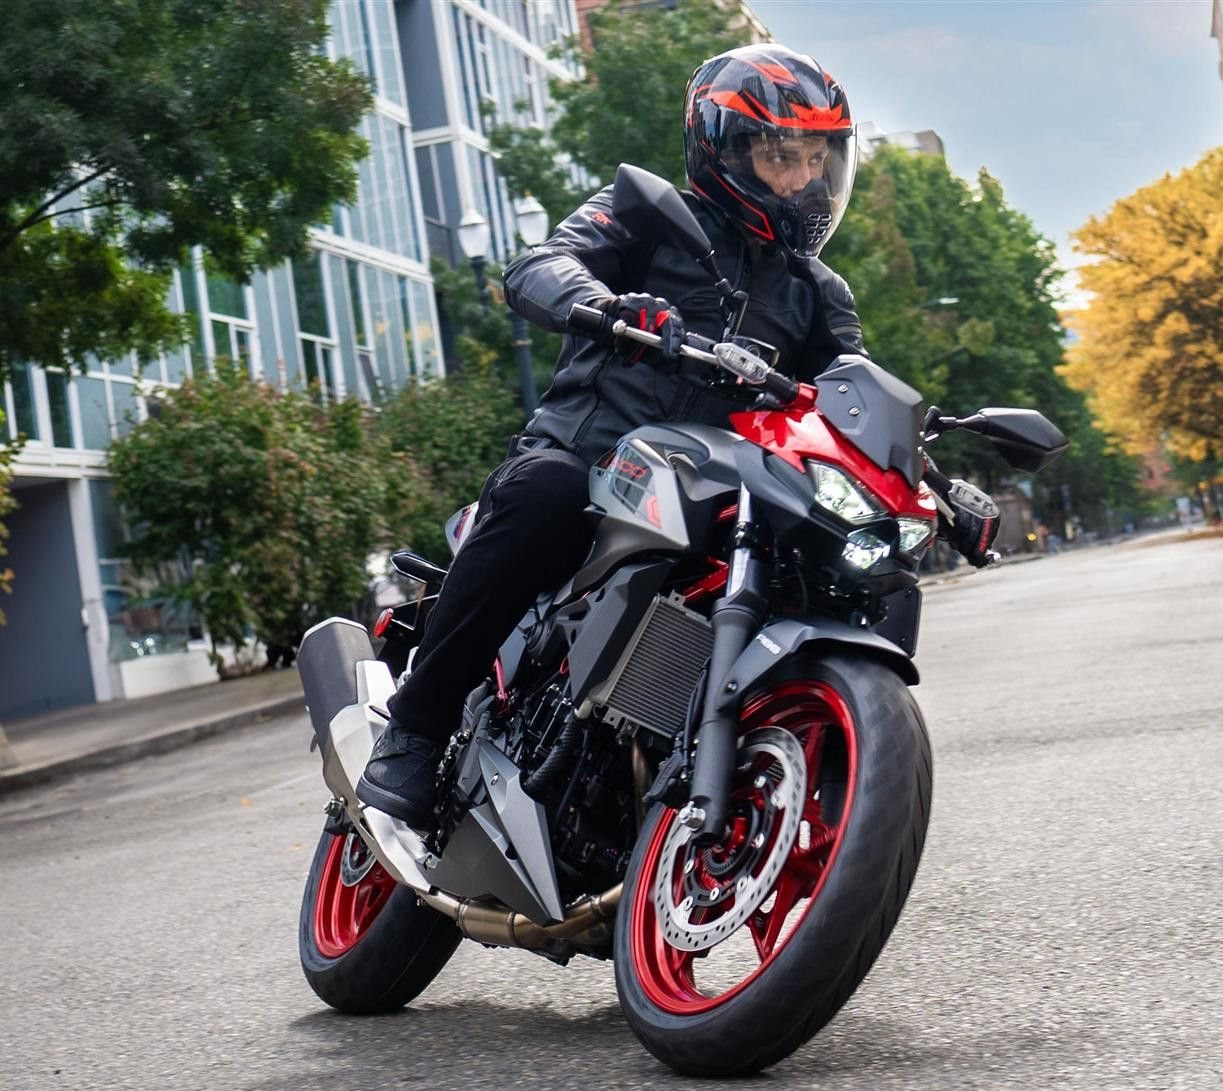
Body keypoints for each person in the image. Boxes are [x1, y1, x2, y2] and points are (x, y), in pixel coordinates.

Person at [356, 43, 866, 829]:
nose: (803, 181)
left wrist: (923, 462)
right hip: (592, 462)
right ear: (723, 149)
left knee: (839, 562)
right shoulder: (647, 216)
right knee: (546, 493)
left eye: (815, 160)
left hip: (715, 496)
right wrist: (606, 306)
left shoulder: (818, 293)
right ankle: (416, 728)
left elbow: (852, 394)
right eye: (781, 156)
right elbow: (542, 264)